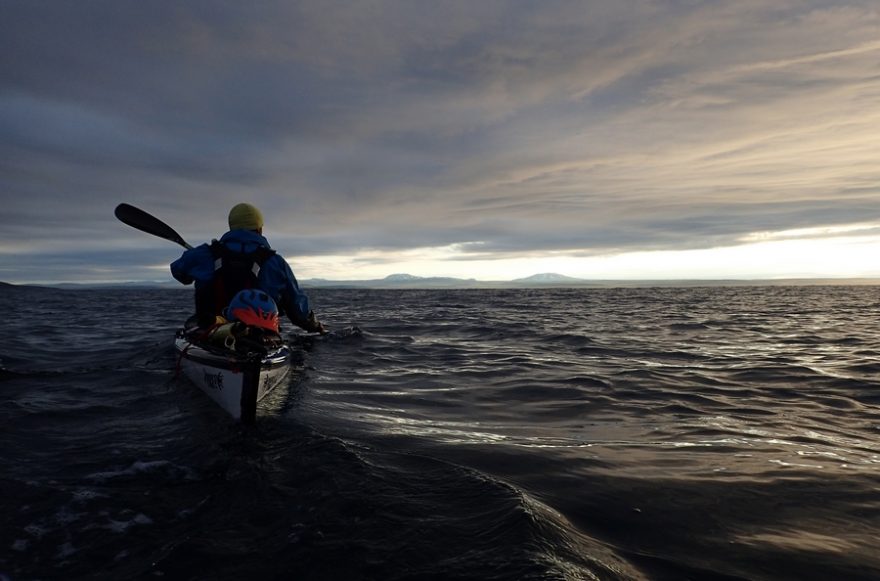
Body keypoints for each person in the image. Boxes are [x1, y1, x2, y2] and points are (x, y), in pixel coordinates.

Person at [170, 202, 326, 334]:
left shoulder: (203, 254)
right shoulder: (276, 263)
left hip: (211, 333)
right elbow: (298, 311)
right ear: (259, 229)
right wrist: (317, 327)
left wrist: (195, 262)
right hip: (260, 337)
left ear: (232, 228)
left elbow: (179, 273)